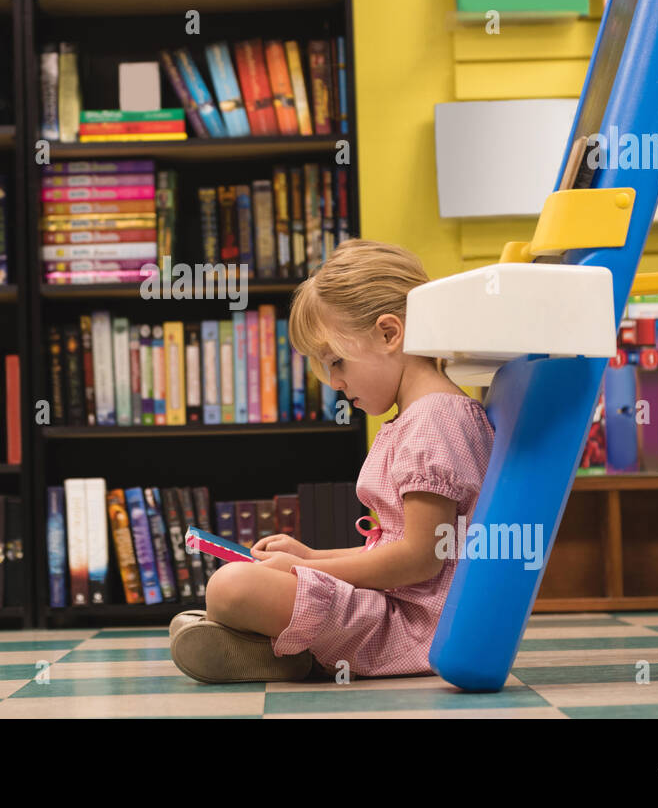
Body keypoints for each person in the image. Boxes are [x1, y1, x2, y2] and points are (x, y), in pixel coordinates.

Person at [169, 239, 495, 682]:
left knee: (231, 587)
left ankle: (287, 652)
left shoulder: (436, 419)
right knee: (237, 586)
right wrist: (310, 555)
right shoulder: (423, 416)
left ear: (388, 333)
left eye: (337, 362)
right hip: (395, 608)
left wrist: (304, 568)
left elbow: (421, 558)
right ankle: (283, 652)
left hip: (413, 629)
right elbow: (397, 547)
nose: (336, 382)